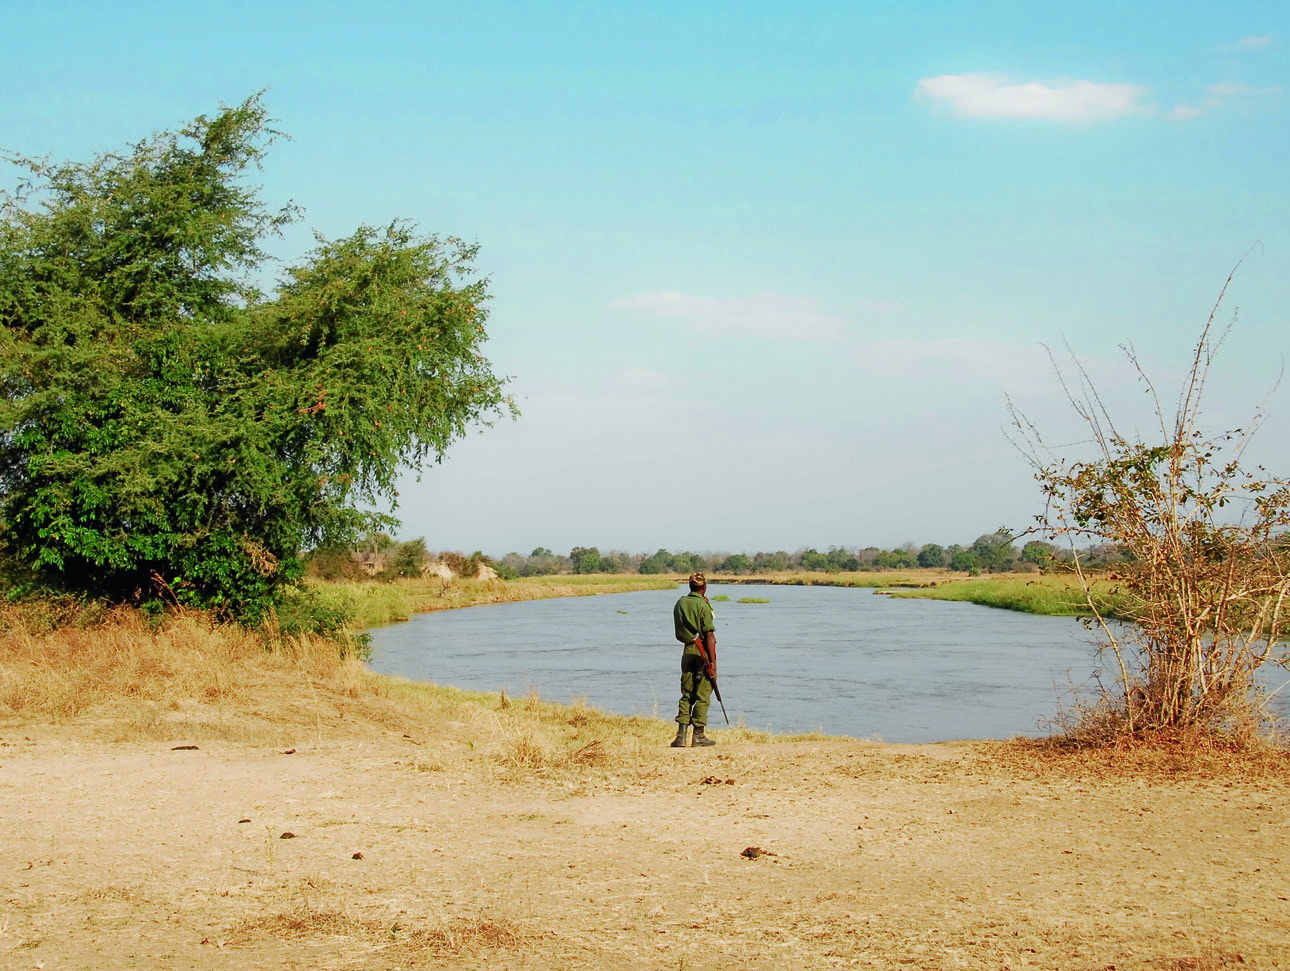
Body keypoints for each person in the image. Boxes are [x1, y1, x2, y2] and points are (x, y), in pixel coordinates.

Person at [671, 572, 718, 747]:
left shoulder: (680, 603)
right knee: (703, 693)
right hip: (703, 651)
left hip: (687, 651)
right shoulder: (703, 606)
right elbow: (710, 636)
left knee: (686, 693)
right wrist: (711, 663)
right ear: (704, 588)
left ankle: (681, 736)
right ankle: (698, 735)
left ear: (690, 587)